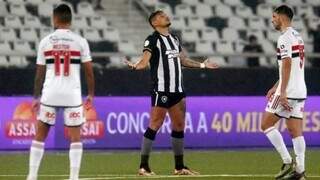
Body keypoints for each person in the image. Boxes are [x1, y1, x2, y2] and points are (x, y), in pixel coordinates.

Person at [125, 10, 218, 176]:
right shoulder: (152, 39)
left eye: (166, 15)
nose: (166, 16)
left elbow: (183, 60)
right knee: (155, 124)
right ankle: (143, 166)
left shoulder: (175, 39)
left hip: (178, 90)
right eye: (161, 16)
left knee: (179, 125)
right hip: (161, 89)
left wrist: (203, 65)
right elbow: (145, 60)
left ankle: (179, 166)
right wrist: (136, 66)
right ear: (154, 23)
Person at [26, 4, 95, 180]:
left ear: (55, 19)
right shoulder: (80, 42)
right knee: (75, 137)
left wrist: (36, 97)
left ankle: (32, 176)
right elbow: (89, 71)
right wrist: (91, 95)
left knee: (40, 135)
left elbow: (39, 73)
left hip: (50, 94)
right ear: (70, 20)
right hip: (72, 95)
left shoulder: (46, 41)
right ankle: (73, 177)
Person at [261, 5, 307, 180]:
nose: (272, 20)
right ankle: (300, 171)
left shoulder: (284, 38)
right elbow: (292, 66)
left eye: (274, 16)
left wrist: (283, 92)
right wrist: (276, 85)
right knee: (295, 130)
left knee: (265, 125)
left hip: (289, 90)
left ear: (281, 17)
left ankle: (287, 161)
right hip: (300, 89)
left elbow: (287, 64)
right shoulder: (298, 36)